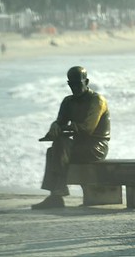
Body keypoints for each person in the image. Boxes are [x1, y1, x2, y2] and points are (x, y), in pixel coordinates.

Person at [32, 66, 111, 209]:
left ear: (86, 82)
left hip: (96, 146)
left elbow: (87, 128)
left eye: (78, 84)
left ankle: (57, 193)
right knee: (53, 151)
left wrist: (62, 130)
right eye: (72, 85)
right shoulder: (68, 101)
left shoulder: (97, 100)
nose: (75, 88)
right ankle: (55, 195)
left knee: (60, 146)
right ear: (68, 84)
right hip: (77, 145)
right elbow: (61, 122)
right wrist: (55, 126)